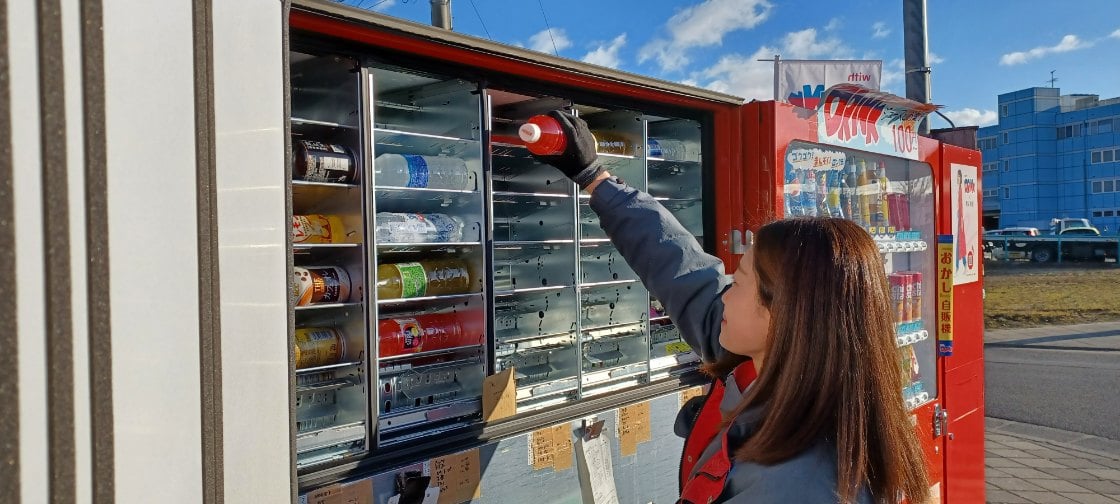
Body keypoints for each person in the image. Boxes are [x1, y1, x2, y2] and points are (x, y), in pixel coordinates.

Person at [531, 111, 930, 504]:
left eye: (737, 282)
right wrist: (594, 178)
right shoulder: (786, 370)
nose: (724, 292)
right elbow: (682, 268)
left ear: (783, 314)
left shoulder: (798, 484)